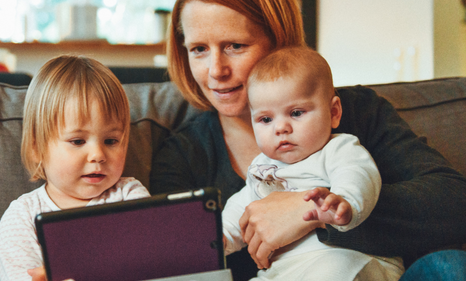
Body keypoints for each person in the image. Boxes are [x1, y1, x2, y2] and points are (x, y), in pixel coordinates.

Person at [149, 0, 466, 280]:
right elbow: (183, 258)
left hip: (358, 271)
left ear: (277, 41)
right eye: (199, 49)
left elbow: (453, 202)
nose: (216, 70)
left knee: (449, 266)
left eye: (235, 45)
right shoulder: (181, 155)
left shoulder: (357, 114)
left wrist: (312, 214)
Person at [221, 46, 403, 280]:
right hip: (283, 272)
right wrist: (220, 238)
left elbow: (357, 174)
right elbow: (243, 207)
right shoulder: (261, 167)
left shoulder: (338, 149)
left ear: (334, 112)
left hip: (347, 260)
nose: (281, 128)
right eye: (266, 119)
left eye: (296, 113)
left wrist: (344, 203)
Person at [0, 55, 151, 281]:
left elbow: (151, 264)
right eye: (77, 141)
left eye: (111, 141)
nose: (98, 155)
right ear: (37, 147)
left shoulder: (130, 196)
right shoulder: (22, 218)